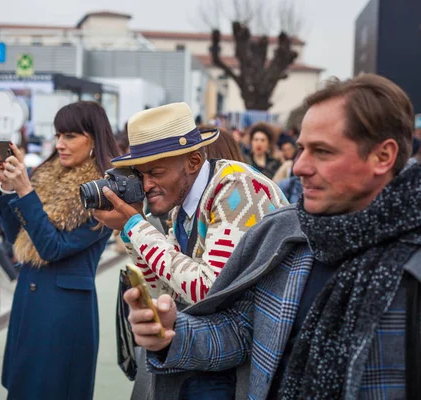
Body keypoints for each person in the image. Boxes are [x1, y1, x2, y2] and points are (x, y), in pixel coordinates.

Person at [124, 73, 421, 400]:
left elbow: (208, 289)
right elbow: (241, 332)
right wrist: (172, 335)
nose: (298, 167)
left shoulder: (411, 264)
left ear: (383, 156)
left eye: (322, 152)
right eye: (301, 149)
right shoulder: (287, 236)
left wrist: (133, 226)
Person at [93, 102, 288, 399]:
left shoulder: (235, 186)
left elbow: (208, 290)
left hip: (253, 364)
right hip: (220, 353)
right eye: (140, 175)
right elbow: (164, 289)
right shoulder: (185, 205)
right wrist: (130, 231)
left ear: (194, 161)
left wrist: (135, 225)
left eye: (155, 172)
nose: (146, 186)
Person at [0, 101, 119, 400]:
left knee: (53, 390)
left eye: (70, 135)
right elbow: (15, 236)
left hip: (64, 310)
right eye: (58, 135)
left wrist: (24, 190)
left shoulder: (105, 191)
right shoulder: (47, 175)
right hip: (30, 301)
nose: (60, 144)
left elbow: (51, 247)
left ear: (94, 138)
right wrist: (9, 186)